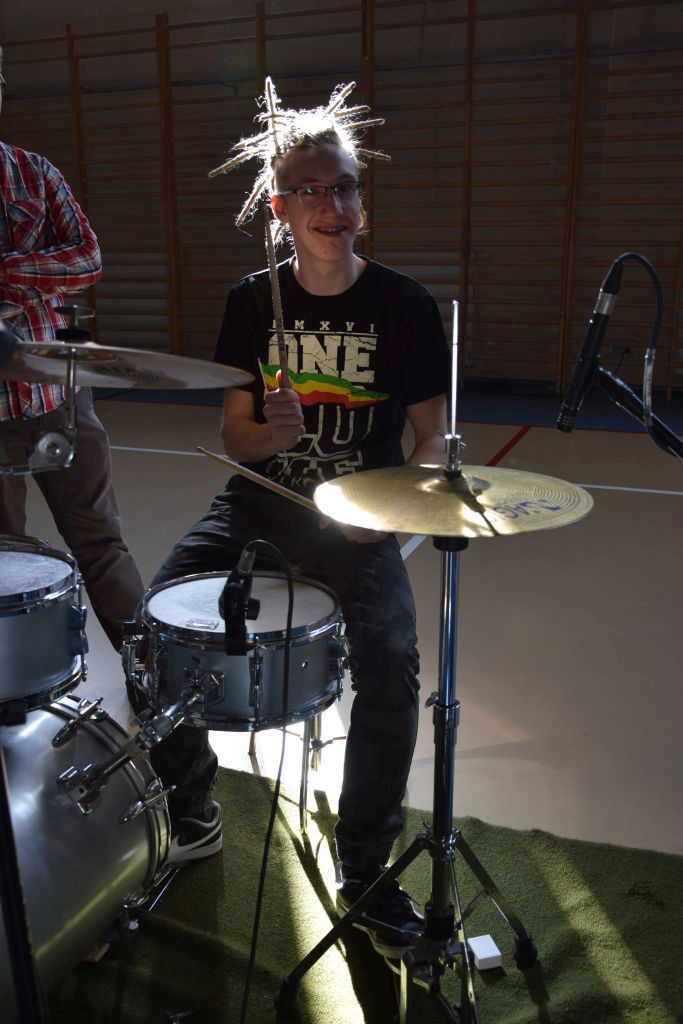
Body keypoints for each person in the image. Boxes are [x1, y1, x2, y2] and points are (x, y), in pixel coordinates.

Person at [141, 81, 451, 958]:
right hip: (258, 505)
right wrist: (267, 434)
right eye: (311, 190)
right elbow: (235, 439)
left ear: (361, 202)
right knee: (153, 629)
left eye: (345, 187)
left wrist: (382, 512)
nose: (332, 205)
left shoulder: (403, 305)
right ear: (279, 210)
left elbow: (432, 440)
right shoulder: (253, 301)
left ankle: (365, 867)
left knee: (390, 662)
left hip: (357, 517)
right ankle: (192, 809)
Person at [0, 48, 144, 651]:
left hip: (57, 397)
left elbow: (88, 258)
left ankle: (149, 681)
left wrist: (9, 272)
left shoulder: (35, 173)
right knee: (5, 566)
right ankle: (18, 693)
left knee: (101, 546)